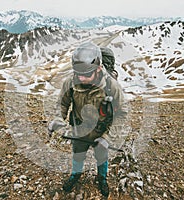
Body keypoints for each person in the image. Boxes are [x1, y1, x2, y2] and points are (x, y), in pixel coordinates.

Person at [49, 42, 124, 197]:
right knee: (78, 154)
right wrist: (58, 119)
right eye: (78, 74)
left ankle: (102, 178)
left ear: (98, 68)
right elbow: (62, 104)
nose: (81, 78)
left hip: (102, 131)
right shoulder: (70, 82)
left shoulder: (112, 86)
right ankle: (75, 174)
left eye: (86, 75)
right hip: (79, 129)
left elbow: (122, 114)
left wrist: (107, 138)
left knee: (101, 157)